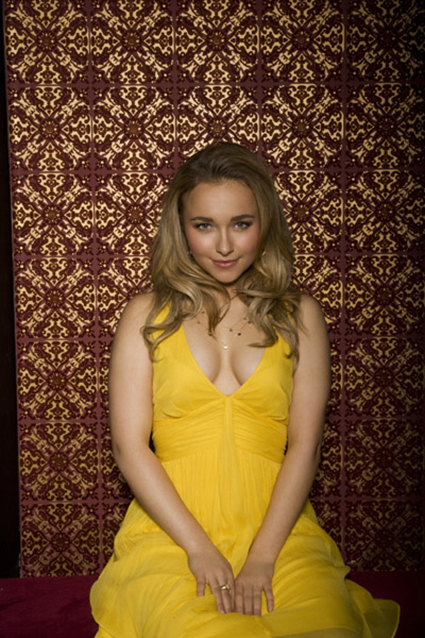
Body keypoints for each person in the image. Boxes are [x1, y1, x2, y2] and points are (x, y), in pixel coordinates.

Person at [90, 142, 399, 637]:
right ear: (181, 229)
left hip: (278, 529)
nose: (224, 245)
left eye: (240, 223)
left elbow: (305, 446)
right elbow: (129, 448)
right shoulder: (146, 315)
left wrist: (262, 558)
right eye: (204, 226)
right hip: (172, 530)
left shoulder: (300, 315)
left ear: (264, 224)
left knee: (328, 628)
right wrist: (198, 549)